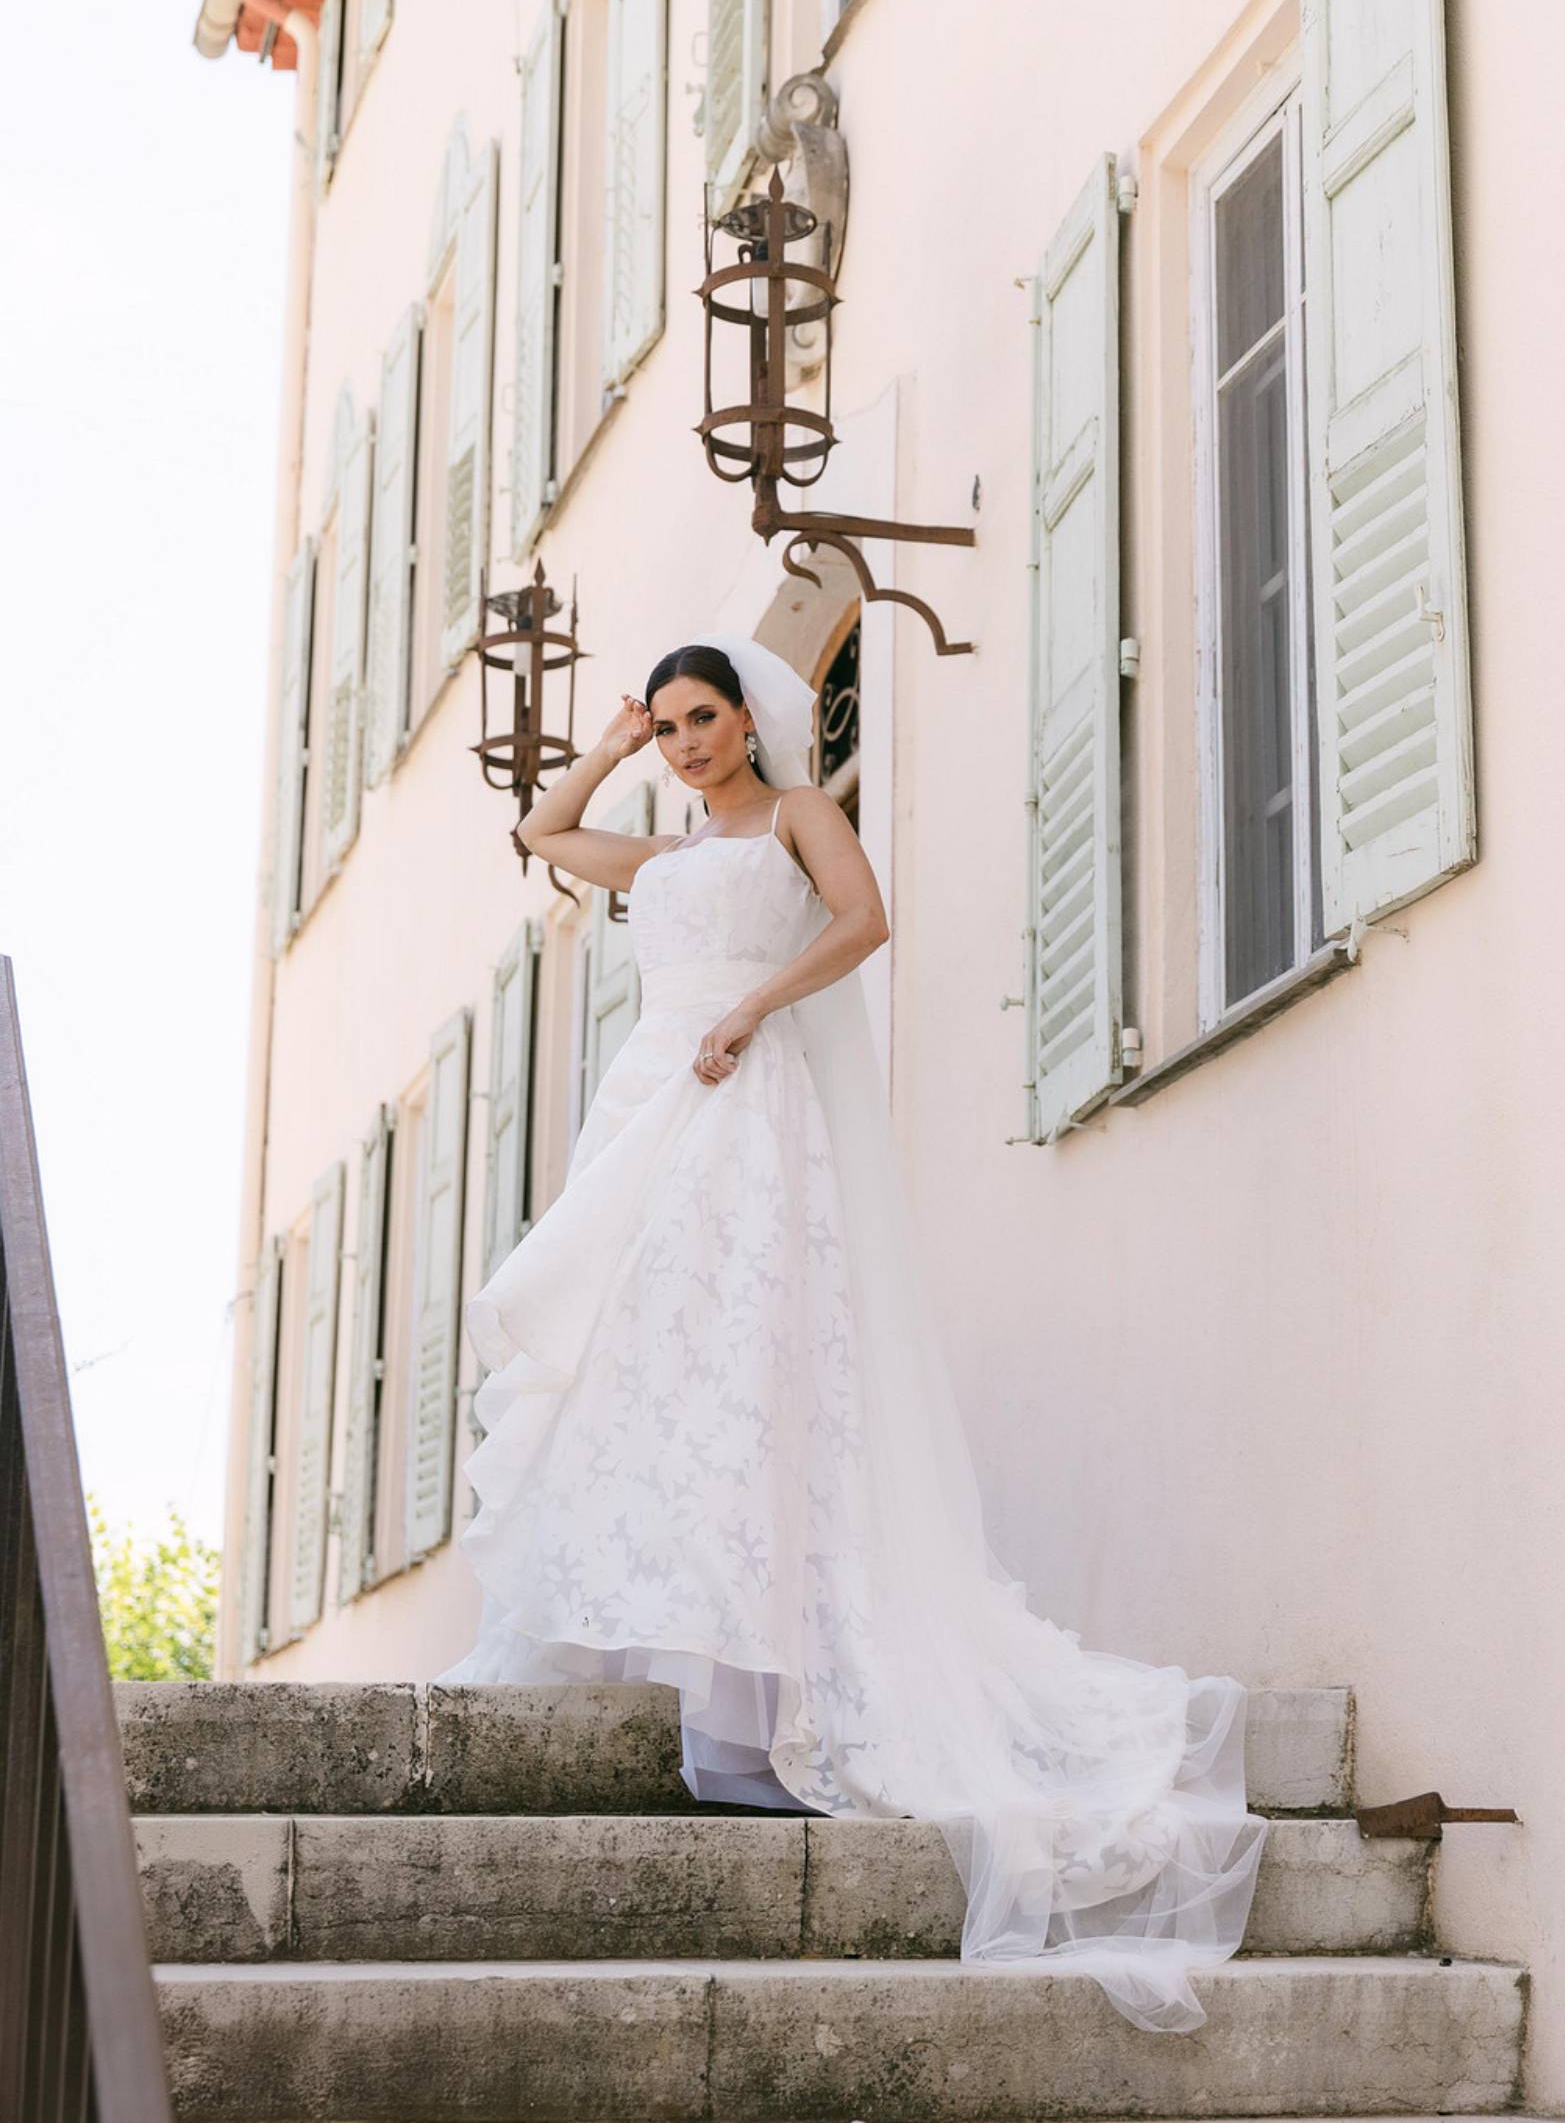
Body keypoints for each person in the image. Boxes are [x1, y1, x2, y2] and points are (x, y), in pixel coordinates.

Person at [436, 633, 1266, 2030]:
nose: (692, 742)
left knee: (746, 1352)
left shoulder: (796, 817)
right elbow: (542, 832)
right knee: (645, 1356)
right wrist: (613, 733)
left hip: (744, 1086)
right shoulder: (664, 853)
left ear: (748, 723)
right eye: (675, 725)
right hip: (653, 1097)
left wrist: (755, 1006)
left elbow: (865, 920)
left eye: (705, 719)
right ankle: (695, 1644)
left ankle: (771, 1691)